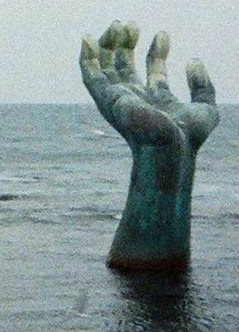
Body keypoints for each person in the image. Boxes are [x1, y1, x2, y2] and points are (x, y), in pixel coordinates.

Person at [80, 20, 219, 272]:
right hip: (171, 267)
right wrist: (167, 146)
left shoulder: (178, 131)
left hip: (138, 267)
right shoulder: (178, 132)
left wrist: (169, 144)